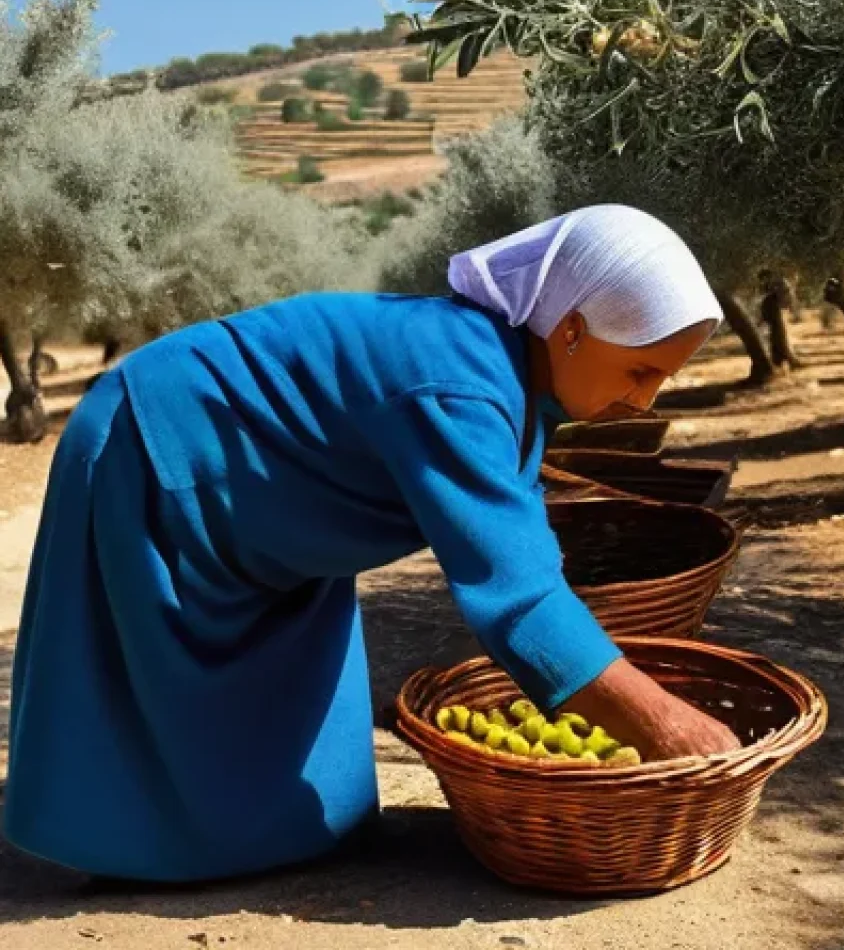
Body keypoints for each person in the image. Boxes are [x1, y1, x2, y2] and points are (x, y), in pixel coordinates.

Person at [4, 203, 740, 884]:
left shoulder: (511, 378)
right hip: (163, 446)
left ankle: (271, 836)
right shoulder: (461, 385)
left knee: (286, 688)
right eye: (639, 370)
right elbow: (520, 601)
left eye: (662, 378)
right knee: (158, 682)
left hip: (262, 486)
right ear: (572, 330)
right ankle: (144, 845)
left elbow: (520, 542)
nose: (644, 400)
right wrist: (669, 728)